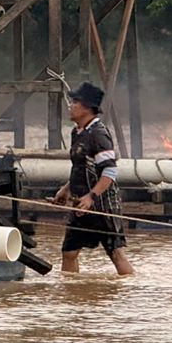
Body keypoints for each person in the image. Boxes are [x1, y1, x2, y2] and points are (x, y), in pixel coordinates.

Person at [52, 81, 134, 276]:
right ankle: (72, 288)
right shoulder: (77, 132)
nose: (70, 106)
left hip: (102, 206)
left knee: (116, 254)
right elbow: (80, 167)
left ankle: (129, 286)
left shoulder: (98, 134)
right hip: (80, 205)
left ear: (87, 108)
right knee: (69, 252)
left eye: (75, 102)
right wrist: (66, 189)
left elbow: (109, 172)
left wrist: (91, 197)